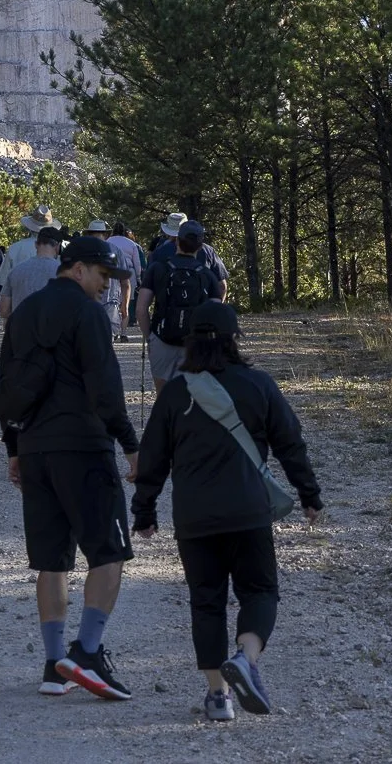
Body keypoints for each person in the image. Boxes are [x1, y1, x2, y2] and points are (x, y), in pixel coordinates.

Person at [131, 303, 323, 722]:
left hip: (194, 518)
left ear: (189, 344)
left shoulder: (176, 393)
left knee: (206, 603)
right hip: (248, 512)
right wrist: (309, 494)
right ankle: (245, 657)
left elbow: (153, 457)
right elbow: (290, 444)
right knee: (260, 592)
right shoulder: (258, 385)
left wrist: (144, 511)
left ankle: (218, 697)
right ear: (235, 339)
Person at [0, 235, 139, 702]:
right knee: (110, 552)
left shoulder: (24, 315)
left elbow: (7, 385)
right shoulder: (88, 314)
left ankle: (55, 666)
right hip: (83, 447)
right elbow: (104, 387)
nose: (107, 286)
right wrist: (131, 445)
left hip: (35, 449)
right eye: (103, 275)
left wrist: (14, 447)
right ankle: (87, 652)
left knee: (51, 560)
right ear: (77, 269)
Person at [136, 220, 230, 392]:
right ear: (200, 246)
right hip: (196, 342)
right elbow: (218, 306)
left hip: (162, 338)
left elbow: (141, 309)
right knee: (194, 395)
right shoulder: (207, 274)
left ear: (177, 240)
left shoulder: (157, 267)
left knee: (165, 396)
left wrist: (150, 337)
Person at [0, 226, 62, 327]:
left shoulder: (15, 271)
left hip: (21, 330)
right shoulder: (63, 273)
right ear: (58, 247)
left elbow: (4, 311)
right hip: (51, 331)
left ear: (36, 244)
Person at [85, 220, 131, 341]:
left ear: (89, 234)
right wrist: (125, 305)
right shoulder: (116, 251)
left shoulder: (81, 252)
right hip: (110, 303)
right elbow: (125, 283)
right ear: (106, 235)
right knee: (106, 342)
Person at [0, 203, 56, 293]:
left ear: (30, 227)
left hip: (19, 298)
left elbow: (3, 283)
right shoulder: (56, 249)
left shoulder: (15, 248)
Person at [110, 222, 143, 331]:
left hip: (112, 272)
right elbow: (137, 263)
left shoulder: (108, 242)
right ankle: (123, 331)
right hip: (129, 272)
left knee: (113, 300)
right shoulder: (131, 243)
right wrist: (138, 277)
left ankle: (114, 327)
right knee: (126, 302)